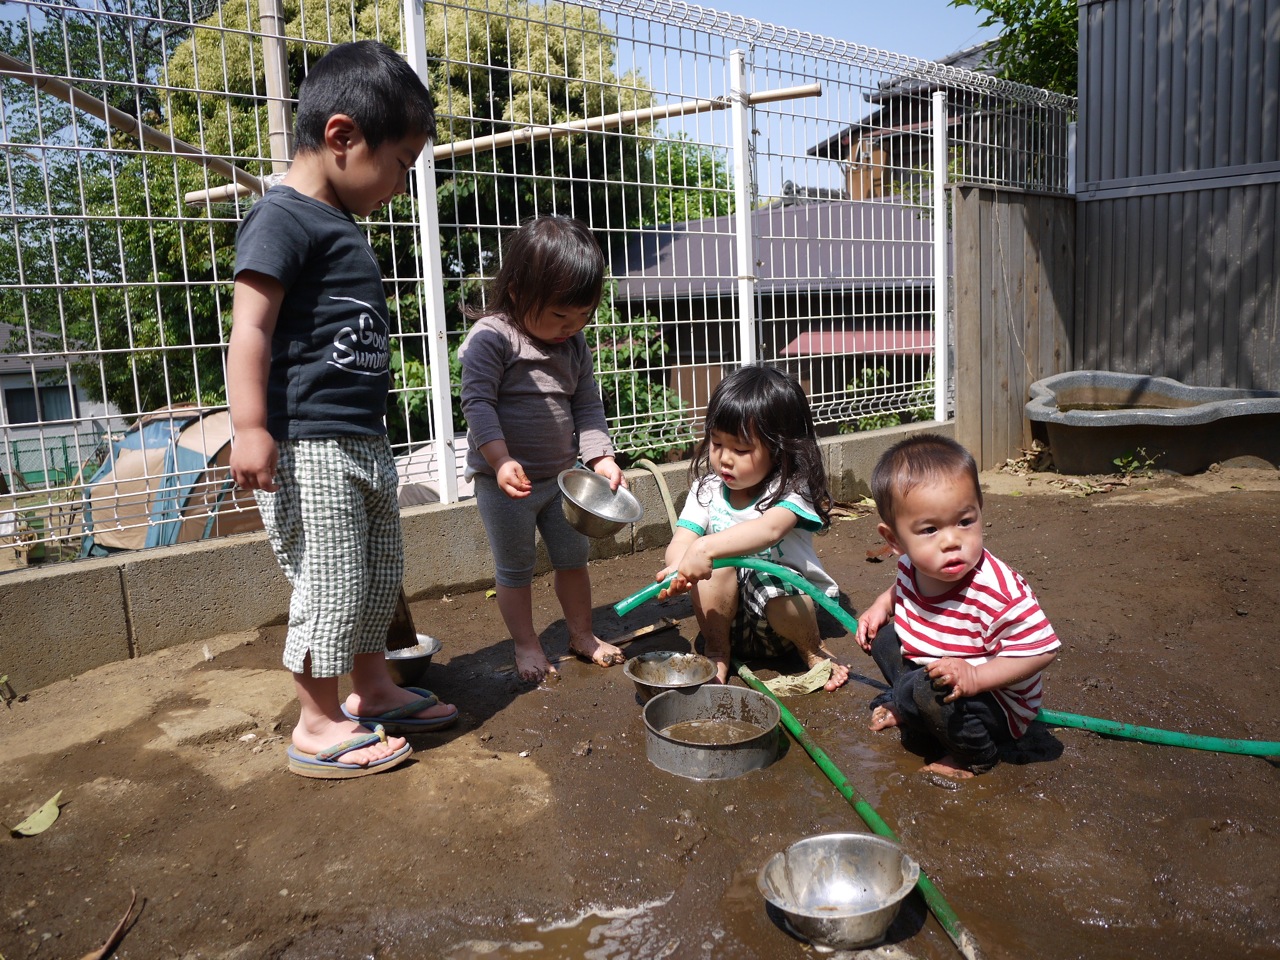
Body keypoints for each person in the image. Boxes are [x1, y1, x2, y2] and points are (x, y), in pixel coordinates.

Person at [228, 40, 457, 780]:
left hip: (360, 439)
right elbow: (250, 331)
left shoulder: (338, 225)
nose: (399, 182)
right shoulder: (281, 219)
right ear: (341, 136)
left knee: (376, 571)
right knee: (330, 578)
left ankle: (374, 686)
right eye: (400, 164)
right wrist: (251, 429)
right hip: (308, 443)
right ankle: (316, 721)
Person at [458, 215, 627, 683]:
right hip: (504, 483)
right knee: (515, 568)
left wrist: (600, 457)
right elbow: (478, 403)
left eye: (583, 317)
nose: (571, 327)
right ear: (517, 290)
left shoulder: (573, 345)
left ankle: (582, 634)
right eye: (559, 315)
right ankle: (527, 643)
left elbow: (587, 405)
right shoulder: (493, 337)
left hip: (563, 480)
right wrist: (499, 458)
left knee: (573, 561)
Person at [855, 433, 1060, 779]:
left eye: (965, 522)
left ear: (980, 509)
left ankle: (973, 755)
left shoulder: (996, 591)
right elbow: (900, 589)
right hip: (936, 672)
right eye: (930, 529)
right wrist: (880, 606)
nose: (952, 541)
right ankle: (909, 705)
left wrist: (977, 677)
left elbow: (1041, 651)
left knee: (927, 690)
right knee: (885, 638)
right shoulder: (911, 565)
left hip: (992, 701)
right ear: (894, 540)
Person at [652, 364, 851, 691]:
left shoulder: (789, 490)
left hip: (784, 628)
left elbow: (769, 531)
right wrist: (679, 567)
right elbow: (681, 542)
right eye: (716, 444)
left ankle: (813, 650)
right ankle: (717, 652)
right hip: (727, 626)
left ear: (778, 449)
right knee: (713, 567)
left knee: (763, 575)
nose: (725, 459)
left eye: (741, 450)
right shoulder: (708, 489)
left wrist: (704, 548)